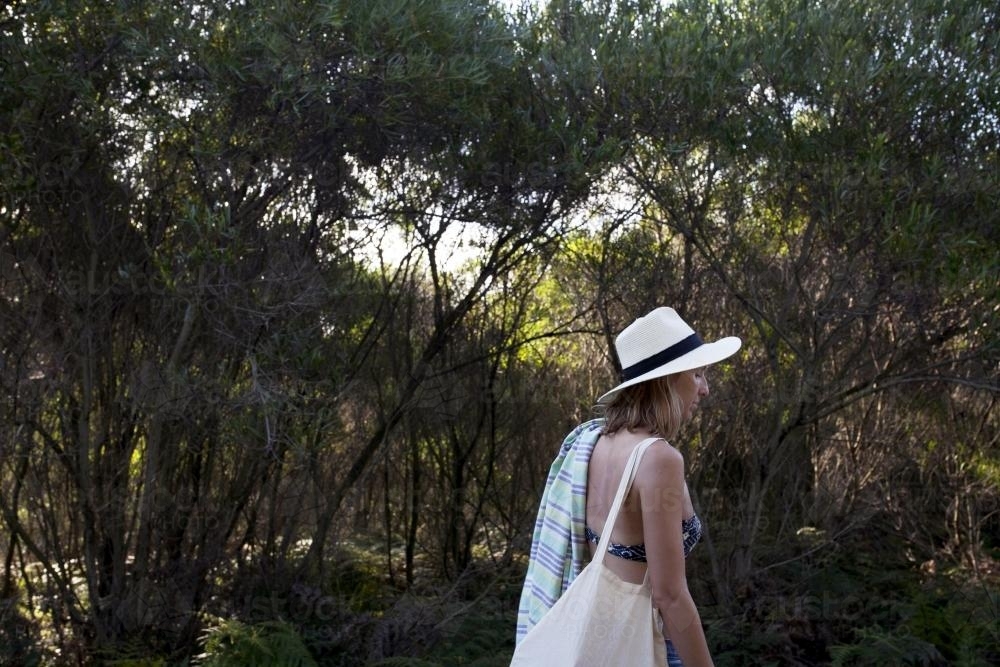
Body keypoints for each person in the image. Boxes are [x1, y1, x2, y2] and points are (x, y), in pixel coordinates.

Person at [515, 306, 741, 667]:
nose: (705, 389)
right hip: (645, 646)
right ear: (666, 380)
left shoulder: (595, 441)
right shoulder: (658, 459)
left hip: (599, 643)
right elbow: (669, 595)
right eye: (697, 374)